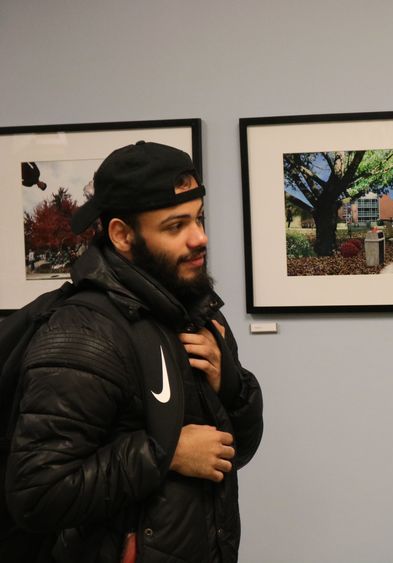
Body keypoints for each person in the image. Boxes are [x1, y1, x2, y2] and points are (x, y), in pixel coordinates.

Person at [6, 141, 264, 563]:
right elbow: (37, 494)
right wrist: (166, 454)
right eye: (175, 226)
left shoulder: (196, 311)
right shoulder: (84, 335)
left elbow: (233, 450)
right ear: (123, 235)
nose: (200, 238)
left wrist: (231, 384)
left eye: (199, 218)